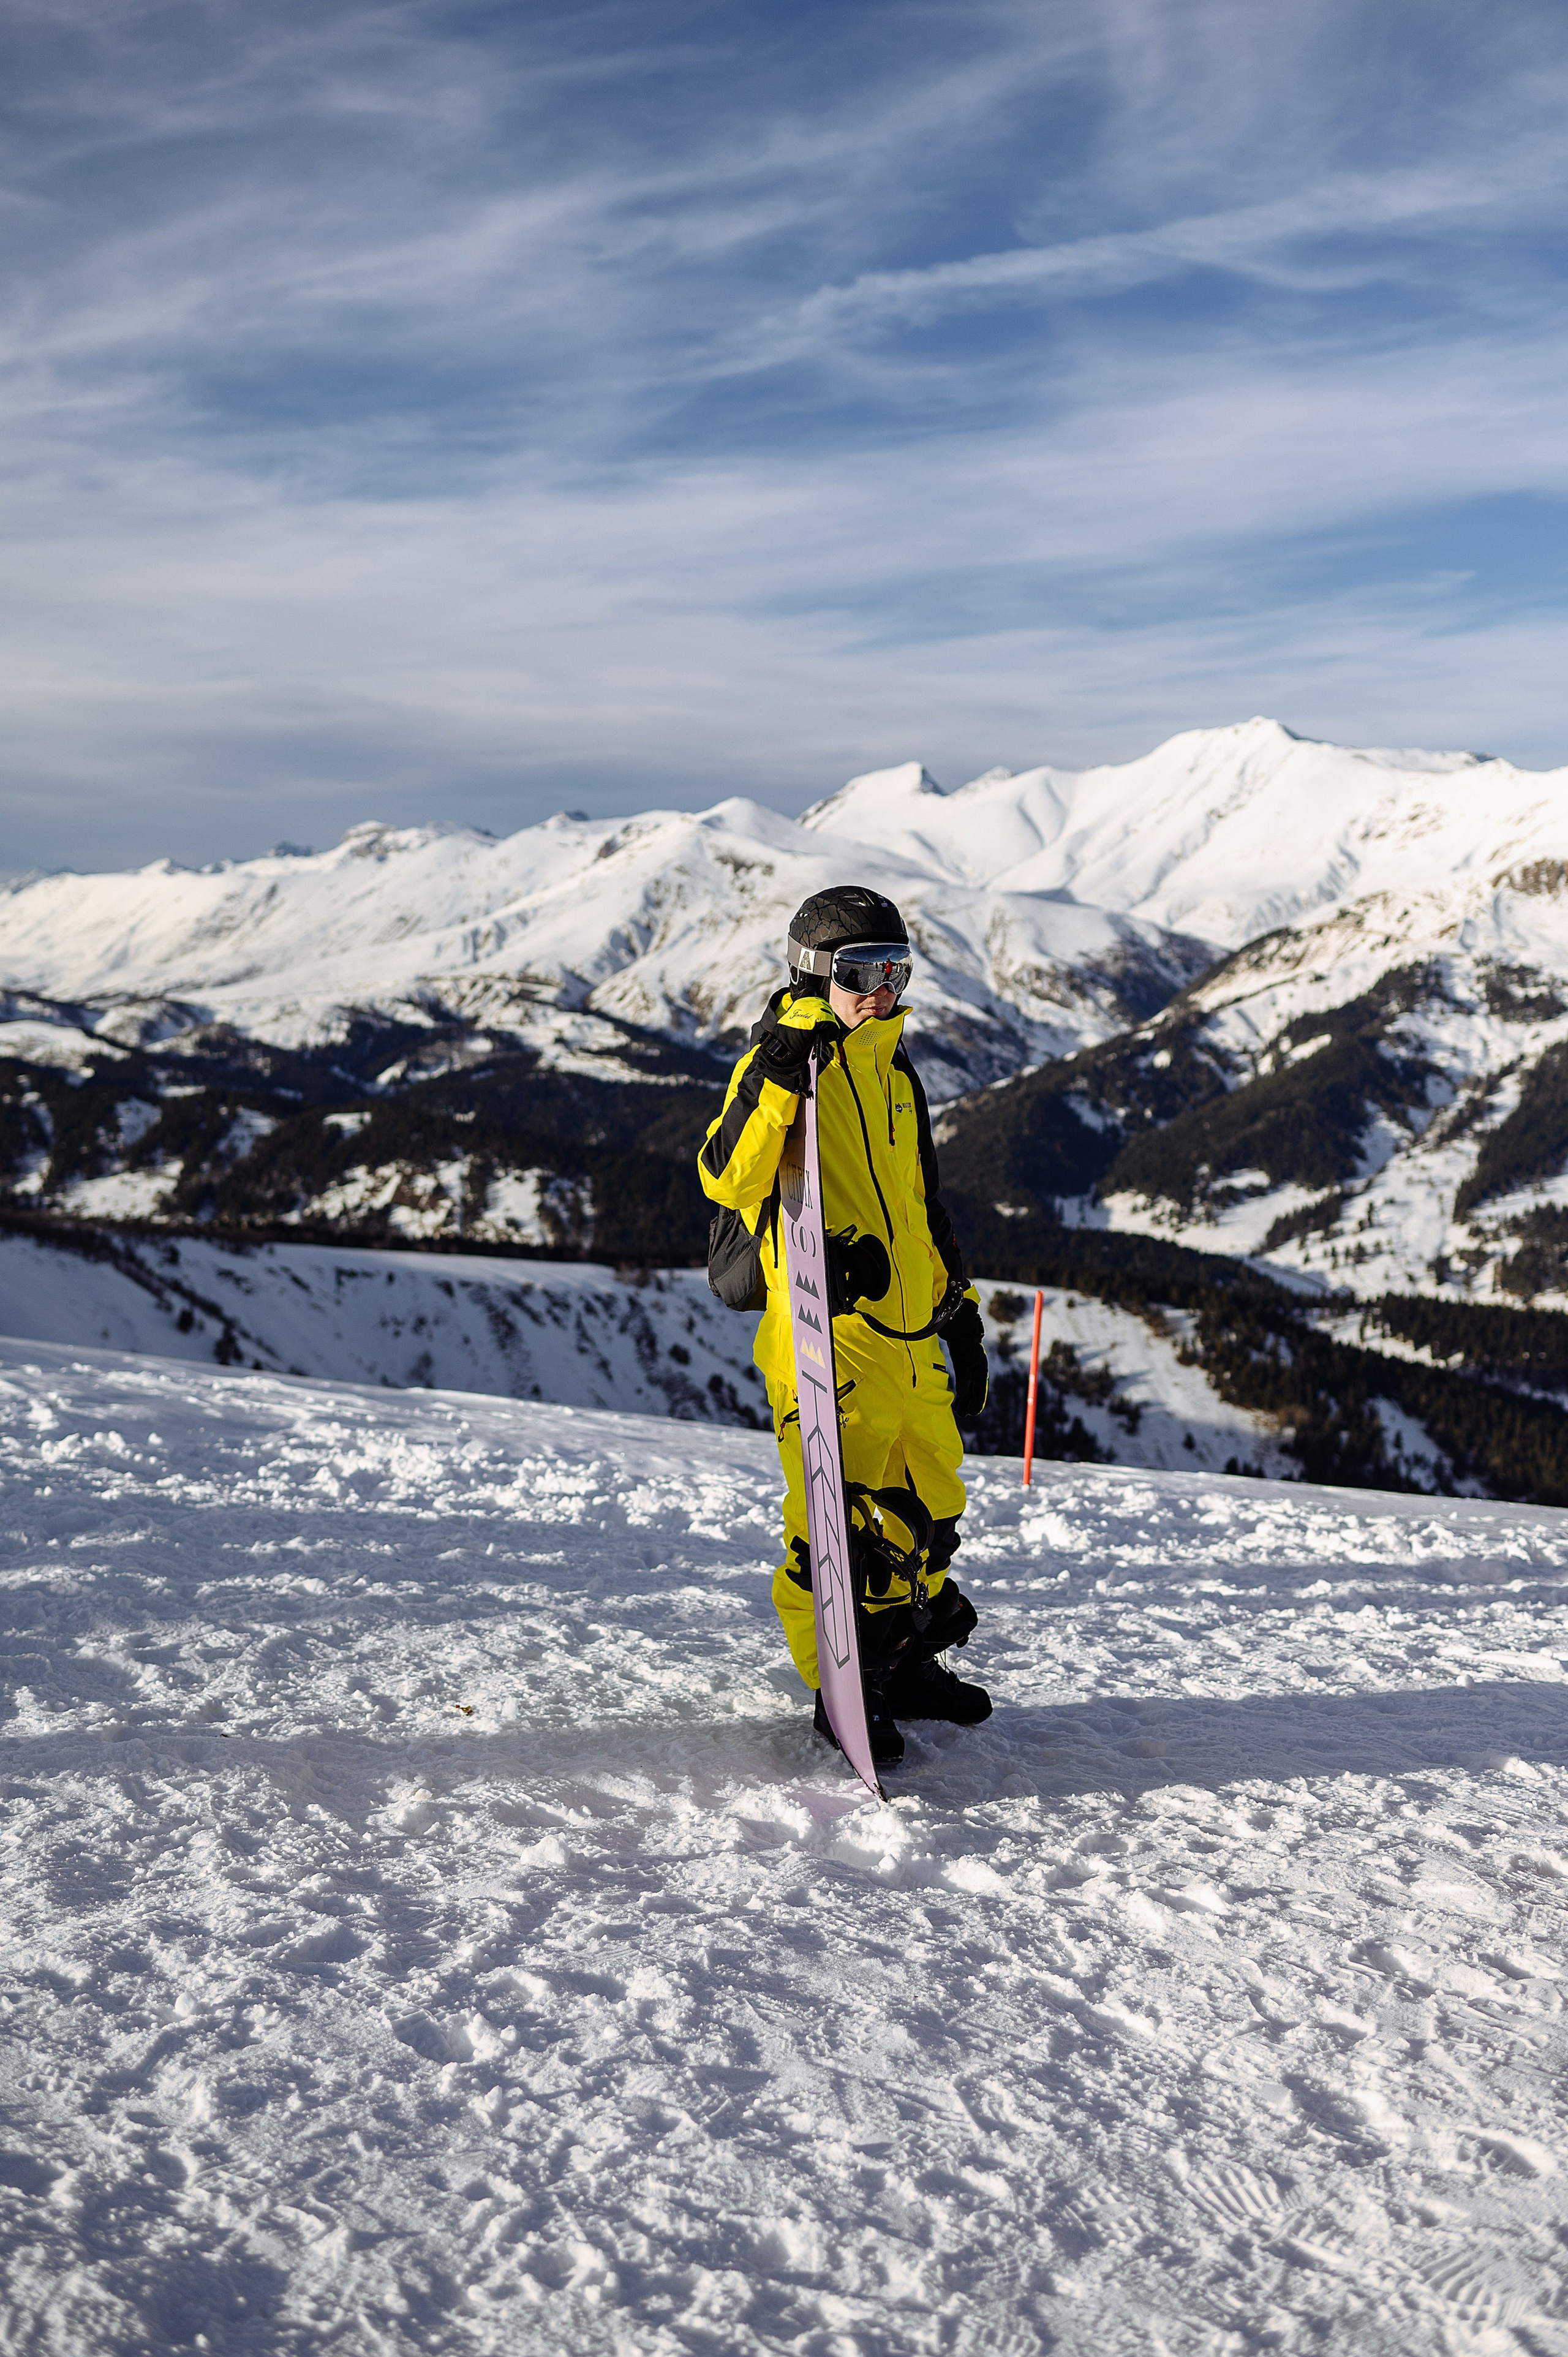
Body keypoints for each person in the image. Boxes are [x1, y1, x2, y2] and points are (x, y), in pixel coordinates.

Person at [698, 884, 990, 1767]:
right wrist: (783, 1071)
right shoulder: (784, 1062)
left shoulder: (896, 1071)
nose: (881, 989)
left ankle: (902, 1665)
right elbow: (728, 1175)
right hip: (829, 1343)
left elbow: (924, 1206)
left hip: (910, 1341)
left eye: (896, 970)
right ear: (815, 974)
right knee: (842, 1527)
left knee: (930, 1514)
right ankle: (844, 1683)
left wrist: (962, 1312)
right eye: (861, 971)